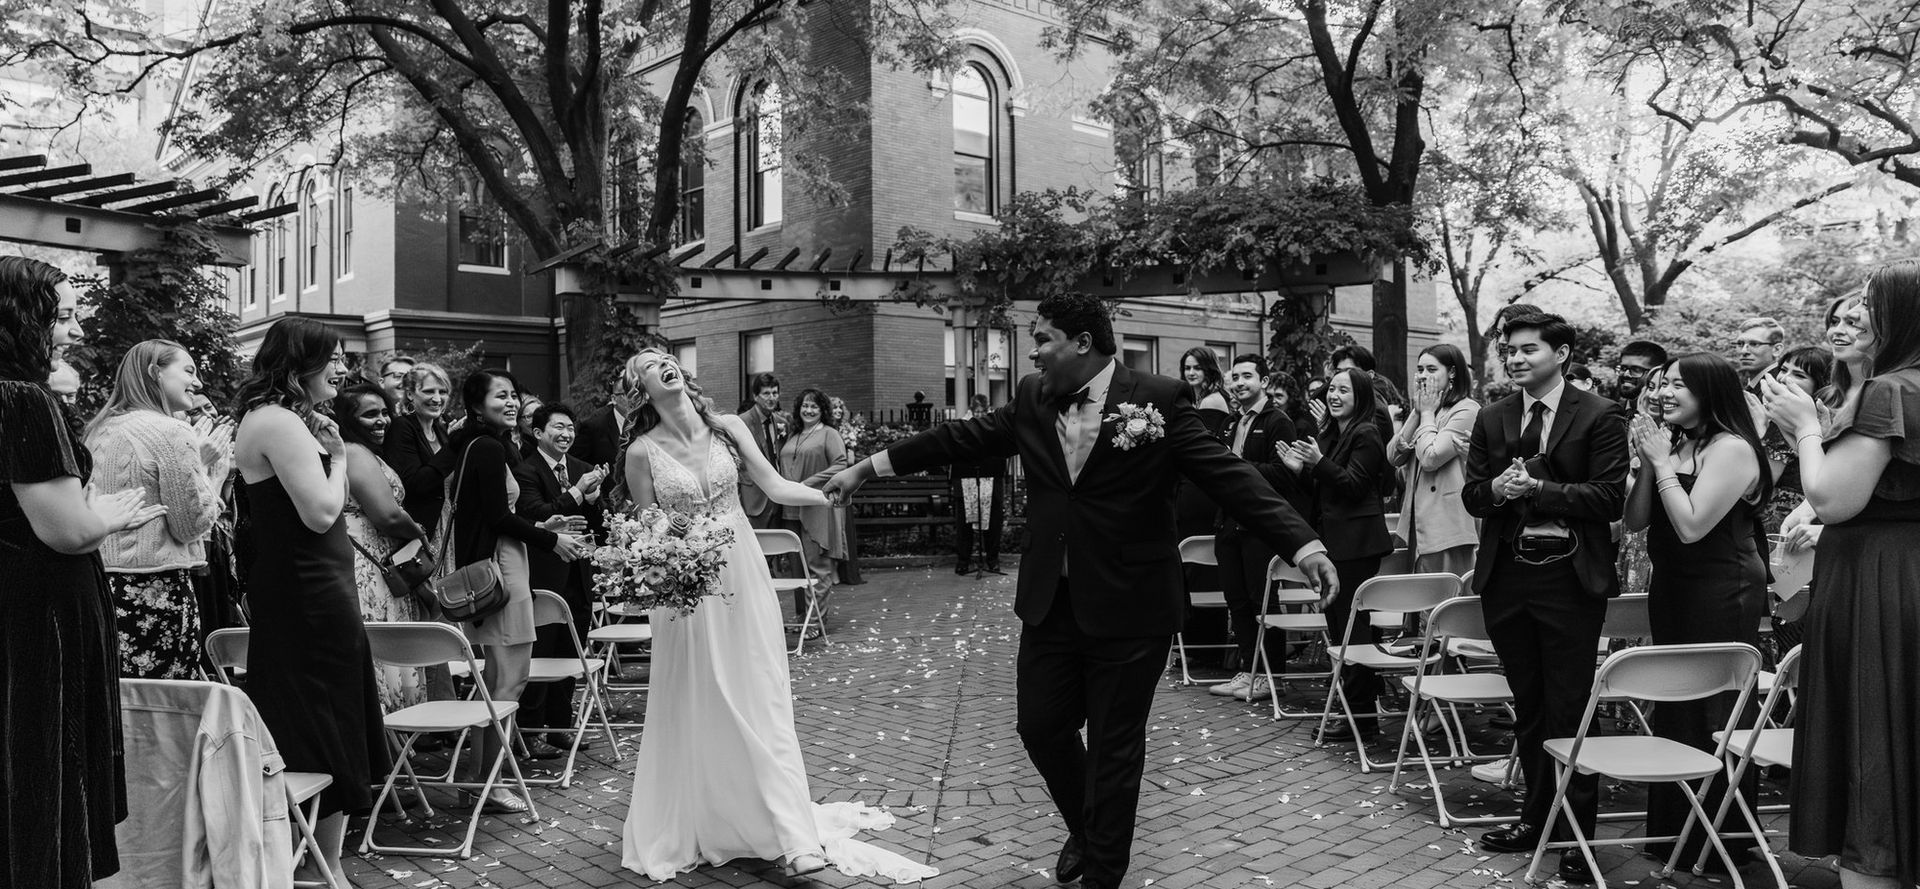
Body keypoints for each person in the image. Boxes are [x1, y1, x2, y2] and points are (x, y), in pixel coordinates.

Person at [823, 293, 1337, 889]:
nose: (1033, 351)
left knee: (1116, 748)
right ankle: (1088, 829)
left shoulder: (1160, 400)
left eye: (1042, 338)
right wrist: (867, 467)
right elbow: (960, 439)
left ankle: (1103, 872)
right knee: (1040, 726)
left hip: (1133, 603)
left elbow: (1229, 476)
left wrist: (1304, 545)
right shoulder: (1034, 399)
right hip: (1052, 602)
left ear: (1082, 342)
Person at [612, 349, 937, 883]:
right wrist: (675, 556)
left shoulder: (730, 427)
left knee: (758, 692)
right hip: (686, 593)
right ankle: (710, 815)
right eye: (651, 363)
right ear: (640, 387)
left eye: (669, 356)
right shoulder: (642, 452)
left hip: (742, 572)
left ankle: (790, 833)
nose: (665, 363)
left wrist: (827, 494)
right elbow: (650, 527)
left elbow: (774, 486)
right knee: (697, 697)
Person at [0, 256, 166, 887]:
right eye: (60, 316)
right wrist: (107, 515)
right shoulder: (22, 401)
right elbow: (65, 531)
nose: (71, 332)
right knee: (45, 770)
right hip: (41, 619)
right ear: (20, 319)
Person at [1764, 261, 1920, 889]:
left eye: (1868, 301)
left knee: (1872, 745)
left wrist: (1803, 428)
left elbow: (1831, 501)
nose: (1855, 313)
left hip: (1876, 582)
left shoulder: (1891, 390)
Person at [1463, 312, 1629, 885]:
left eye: (1527, 349)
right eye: (1509, 350)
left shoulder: (1601, 415)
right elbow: (1471, 495)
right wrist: (1497, 490)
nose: (1514, 358)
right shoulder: (1492, 416)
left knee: (1571, 704)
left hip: (1569, 580)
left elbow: (1609, 498)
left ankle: (1579, 834)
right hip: (1507, 577)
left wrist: (1540, 490)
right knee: (1528, 705)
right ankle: (1535, 818)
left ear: (1560, 353)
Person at [230, 316, 390, 878]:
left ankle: (321, 862)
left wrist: (334, 456)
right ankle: (324, 867)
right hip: (307, 590)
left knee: (330, 714)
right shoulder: (275, 421)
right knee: (322, 717)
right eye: (336, 358)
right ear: (299, 362)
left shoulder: (286, 419)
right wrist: (341, 456)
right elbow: (323, 512)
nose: (345, 370)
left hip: (312, 582)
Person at [1624, 353, 1770, 868]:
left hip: (1721, 588)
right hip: (1674, 588)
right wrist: (1647, 463)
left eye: (1678, 386)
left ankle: (1722, 840)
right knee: (1676, 702)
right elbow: (1637, 523)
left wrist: (1662, 464)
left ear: (1710, 392)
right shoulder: (1678, 442)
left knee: (1715, 706)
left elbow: (1691, 527)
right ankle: (1673, 835)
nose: (1665, 392)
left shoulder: (1732, 449)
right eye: (1663, 384)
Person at [443, 369, 590, 811]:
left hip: (510, 555)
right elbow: (495, 517)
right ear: (475, 404)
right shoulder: (486, 446)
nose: (510, 403)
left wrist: (542, 526)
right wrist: (552, 539)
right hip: (506, 567)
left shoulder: (482, 443)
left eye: (513, 395)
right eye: (499, 396)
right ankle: (492, 782)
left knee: (495, 680)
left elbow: (497, 516)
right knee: (510, 680)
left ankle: (478, 777)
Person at [84, 340, 229, 679]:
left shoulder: (98, 429)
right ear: (155, 372)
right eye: (189, 371)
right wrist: (212, 476)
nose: (198, 383)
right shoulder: (172, 431)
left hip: (101, 587)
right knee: (164, 707)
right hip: (156, 591)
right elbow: (190, 526)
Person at [1278, 367, 1393, 740]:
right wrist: (1301, 471)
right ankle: (1354, 712)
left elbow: (1355, 486)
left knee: (1352, 631)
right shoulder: (1332, 434)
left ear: (1359, 396)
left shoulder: (1367, 433)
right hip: (1333, 544)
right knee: (1339, 629)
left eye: (1343, 390)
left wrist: (1318, 463)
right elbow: (1326, 491)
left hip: (1356, 546)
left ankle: (1361, 719)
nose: (1334, 395)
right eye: (1331, 389)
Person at [331, 380, 430, 712]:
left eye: (385, 412)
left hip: (383, 560)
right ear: (347, 419)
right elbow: (386, 515)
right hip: (368, 565)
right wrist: (418, 531)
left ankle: (399, 736)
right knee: (381, 648)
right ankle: (388, 730)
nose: (381, 421)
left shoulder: (370, 453)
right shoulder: (354, 453)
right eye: (369, 414)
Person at [512, 401, 606, 753]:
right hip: (544, 574)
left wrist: (593, 499)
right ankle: (531, 729)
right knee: (541, 651)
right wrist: (578, 492)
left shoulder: (582, 468)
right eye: (558, 428)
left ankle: (560, 727)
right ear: (538, 433)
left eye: (570, 428)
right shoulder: (526, 470)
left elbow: (598, 522)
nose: (567, 434)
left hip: (579, 571)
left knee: (571, 650)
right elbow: (536, 513)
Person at [1210, 353, 1303, 703]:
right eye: (1234, 377)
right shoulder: (1231, 423)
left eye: (1247, 375)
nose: (1239, 383)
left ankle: (1271, 675)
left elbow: (1286, 475)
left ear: (1263, 381)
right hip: (1228, 521)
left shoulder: (1278, 421)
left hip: (1260, 525)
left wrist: (1239, 467)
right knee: (1237, 601)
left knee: (1262, 601)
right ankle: (1248, 670)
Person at [1388, 343, 1481, 578]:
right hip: (1416, 521)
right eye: (1419, 369)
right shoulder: (1427, 409)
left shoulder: (1467, 409)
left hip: (1447, 524)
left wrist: (1427, 413)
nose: (1422, 376)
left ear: (1452, 372)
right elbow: (1392, 456)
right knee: (1418, 603)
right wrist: (1418, 412)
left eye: (1431, 369)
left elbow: (1431, 458)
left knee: (1443, 603)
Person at [776, 387, 850, 632]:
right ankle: (804, 617)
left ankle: (816, 622)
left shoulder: (829, 434)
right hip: (790, 508)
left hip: (816, 506)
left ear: (822, 411)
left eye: (814, 406)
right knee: (799, 566)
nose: (808, 410)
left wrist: (807, 483)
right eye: (804, 406)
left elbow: (841, 464)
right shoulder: (793, 435)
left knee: (818, 564)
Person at [1757, 347, 1832, 531]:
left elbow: (1760, 486)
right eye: (1783, 370)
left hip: (1784, 518)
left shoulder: (1793, 420)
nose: (1784, 378)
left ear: (1819, 383)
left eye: (1798, 375)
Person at [385, 361, 453, 532]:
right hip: (421, 527)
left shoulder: (441, 430)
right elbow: (415, 485)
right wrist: (455, 446)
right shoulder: (402, 427)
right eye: (429, 391)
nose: (437, 399)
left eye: (443, 392)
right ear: (410, 394)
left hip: (448, 522)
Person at [951, 393, 1008, 575]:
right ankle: (963, 561)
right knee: (965, 523)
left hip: (991, 480)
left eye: (983, 411)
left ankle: (992, 559)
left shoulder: (994, 426)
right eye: (976, 411)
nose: (980, 414)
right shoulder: (963, 426)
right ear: (971, 410)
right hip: (967, 480)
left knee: (993, 521)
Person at [738, 371, 787, 529]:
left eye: (774, 393)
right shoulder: (742, 422)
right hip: (753, 496)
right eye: (766, 393)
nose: (771, 397)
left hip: (779, 497)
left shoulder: (782, 423)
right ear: (755, 396)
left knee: (776, 547)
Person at [1613, 340, 1669, 413]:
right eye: (1623, 368)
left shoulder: (1671, 417)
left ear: (1656, 372)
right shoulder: (1612, 413)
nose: (1626, 374)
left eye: (1636, 369)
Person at [1734, 316, 1787, 390]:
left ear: (1776, 350)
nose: (1744, 351)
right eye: (1740, 344)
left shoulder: (1779, 387)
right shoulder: (1755, 384)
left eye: (1754, 344)